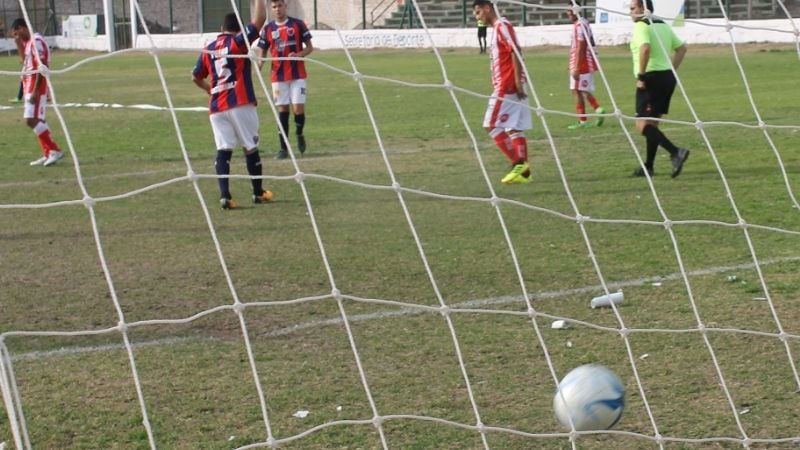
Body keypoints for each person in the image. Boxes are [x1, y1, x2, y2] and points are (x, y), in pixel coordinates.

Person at [192, 1, 274, 210]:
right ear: (238, 30)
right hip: (240, 101)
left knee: (224, 149)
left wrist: (210, 89)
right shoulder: (238, 42)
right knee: (250, 146)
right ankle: (258, 192)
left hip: (217, 108)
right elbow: (260, 20)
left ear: (221, 29)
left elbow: (195, 77)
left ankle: (225, 196)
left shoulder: (208, 49)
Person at [473, 0, 532, 184]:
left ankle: (518, 163)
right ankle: (525, 175)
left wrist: (517, 81)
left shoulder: (502, 26)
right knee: (514, 127)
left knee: (490, 124)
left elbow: (515, 51)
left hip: (507, 85)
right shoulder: (497, 28)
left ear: (487, 8)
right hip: (510, 84)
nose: (477, 16)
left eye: (478, 12)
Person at [629, 0, 689, 178]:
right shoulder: (662, 24)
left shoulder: (641, 25)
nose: (630, 12)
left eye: (633, 8)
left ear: (642, 9)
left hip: (651, 79)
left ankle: (675, 151)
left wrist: (641, 77)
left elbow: (645, 49)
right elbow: (682, 49)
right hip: (667, 78)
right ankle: (648, 166)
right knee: (653, 124)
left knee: (642, 126)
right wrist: (671, 70)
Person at [258, 0, 314, 160]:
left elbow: (309, 47)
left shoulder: (297, 24)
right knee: (282, 111)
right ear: (271, 8)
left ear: (285, 6)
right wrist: (259, 65)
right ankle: (283, 148)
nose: (277, 9)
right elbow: (263, 52)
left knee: (298, 110)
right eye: (274, 7)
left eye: (280, 6)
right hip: (278, 76)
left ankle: (299, 133)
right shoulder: (268, 28)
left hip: (298, 75)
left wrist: (299, 55)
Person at [11, 18, 64, 167]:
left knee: (30, 119)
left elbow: (43, 65)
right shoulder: (27, 43)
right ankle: (48, 152)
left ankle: (54, 150)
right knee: (37, 120)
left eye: (17, 33)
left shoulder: (36, 41)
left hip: (36, 86)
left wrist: (35, 91)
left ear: (22, 28)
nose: (17, 37)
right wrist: (18, 45)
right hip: (28, 84)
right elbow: (24, 62)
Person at [566, 4, 605, 129]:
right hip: (584, 61)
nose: (567, 14)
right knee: (581, 90)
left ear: (574, 12)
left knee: (578, 90)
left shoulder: (579, 26)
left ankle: (585, 119)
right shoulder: (583, 23)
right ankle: (597, 109)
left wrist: (576, 66)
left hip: (583, 62)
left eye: (569, 11)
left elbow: (581, 45)